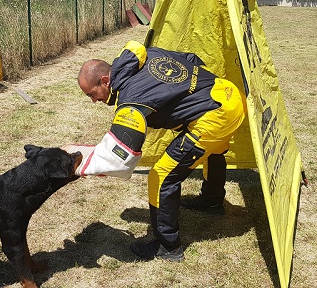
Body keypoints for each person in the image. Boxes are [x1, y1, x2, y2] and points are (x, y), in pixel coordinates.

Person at [68, 40, 246, 262]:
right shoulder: (149, 55)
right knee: (215, 150)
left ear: (105, 81)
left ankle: (168, 246)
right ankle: (211, 201)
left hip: (215, 115)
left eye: (91, 94)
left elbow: (121, 155)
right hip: (228, 94)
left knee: (161, 176)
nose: (94, 101)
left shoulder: (130, 97)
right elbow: (191, 59)